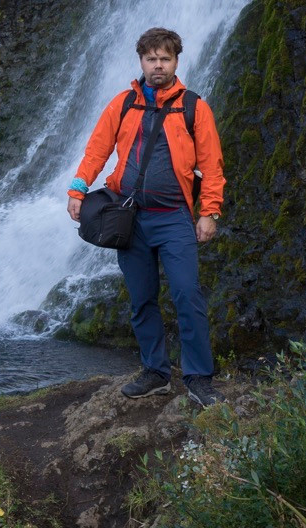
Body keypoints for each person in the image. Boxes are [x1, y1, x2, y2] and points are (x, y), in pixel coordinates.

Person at [66, 27, 225, 407]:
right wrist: (77, 189)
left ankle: (199, 378)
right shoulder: (123, 104)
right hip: (131, 218)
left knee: (187, 295)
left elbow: (212, 166)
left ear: (176, 62)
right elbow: (97, 150)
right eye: (151, 59)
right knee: (141, 299)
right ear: (141, 61)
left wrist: (209, 212)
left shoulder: (194, 107)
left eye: (165, 59)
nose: (158, 65)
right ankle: (155, 372)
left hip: (174, 219)